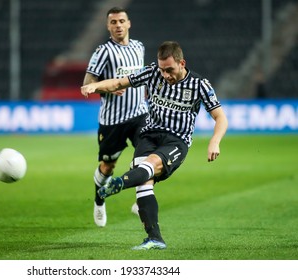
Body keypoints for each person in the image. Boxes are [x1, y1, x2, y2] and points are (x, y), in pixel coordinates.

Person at [81, 41, 228, 250]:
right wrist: (95, 85)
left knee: (149, 165)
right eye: (162, 69)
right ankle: (155, 239)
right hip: (149, 136)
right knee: (144, 184)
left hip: (176, 140)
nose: (165, 75)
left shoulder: (199, 84)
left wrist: (215, 142)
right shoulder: (152, 73)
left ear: (182, 63)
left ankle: (119, 183)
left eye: (169, 70)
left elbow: (220, 117)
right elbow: (118, 83)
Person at [83, 7, 148, 227]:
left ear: (129, 23)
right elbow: (87, 86)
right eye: (113, 22)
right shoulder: (103, 52)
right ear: (108, 26)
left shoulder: (139, 47)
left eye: (122, 21)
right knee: (108, 166)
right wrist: (108, 89)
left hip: (140, 114)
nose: (118, 25)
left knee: (149, 157)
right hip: (113, 121)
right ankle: (99, 199)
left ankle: (140, 202)